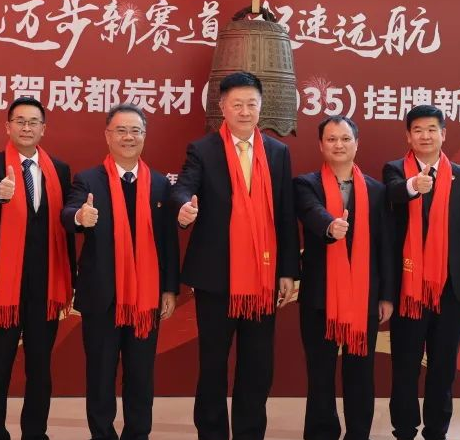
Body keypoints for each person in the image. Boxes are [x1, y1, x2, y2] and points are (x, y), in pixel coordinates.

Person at [171, 71, 299, 440]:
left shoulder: (277, 152)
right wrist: (183, 208)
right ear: (222, 107)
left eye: (251, 104)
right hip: (216, 277)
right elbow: (184, 187)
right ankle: (211, 433)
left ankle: (249, 432)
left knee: (257, 366)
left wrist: (288, 271)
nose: (244, 111)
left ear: (261, 106)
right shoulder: (203, 150)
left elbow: (285, 214)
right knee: (213, 364)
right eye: (237, 104)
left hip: (263, 275)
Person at [61, 103, 179, 440]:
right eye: (121, 130)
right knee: (100, 376)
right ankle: (102, 434)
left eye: (135, 131)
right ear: (107, 135)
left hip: (146, 298)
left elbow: (168, 241)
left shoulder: (160, 184)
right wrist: (80, 218)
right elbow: (68, 213)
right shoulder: (88, 179)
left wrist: (169, 288)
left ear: (144, 136)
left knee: (141, 376)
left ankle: (137, 434)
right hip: (103, 297)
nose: (129, 137)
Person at [294, 115, 393, 440]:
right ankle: (322, 433)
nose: (339, 145)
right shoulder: (305, 184)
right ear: (321, 145)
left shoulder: (377, 191)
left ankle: (358, 433)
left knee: (360, 373)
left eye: (345, 139)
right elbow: (311, 212)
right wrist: (330, 225)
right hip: (320, 297)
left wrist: (386, 295)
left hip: (364, 296)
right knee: (320, 373)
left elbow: (385, 246)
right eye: (332, 139)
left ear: (357, 144)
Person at [383, 104, 460, 440]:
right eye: (418, 130)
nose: (425, 136)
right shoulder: (395, 170)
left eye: (432, 130)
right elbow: (394, 193)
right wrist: (415, 184)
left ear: (443, 134)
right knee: (405, 365)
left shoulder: (458, 175)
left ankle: (436, 431)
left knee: (443, 368)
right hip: (408, 288)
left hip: (449, 289)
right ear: (408, 136)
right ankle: (403, 430)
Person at [0, 96, 75, 440]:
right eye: (20, 121)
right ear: (8, 127)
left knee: (40, 367)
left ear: (43, 129)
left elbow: (65, 228)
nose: (27, 128)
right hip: (3, 286)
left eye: (33, 122)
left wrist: (70, 277)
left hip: (45, 284)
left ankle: (35, 432)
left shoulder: (59, 170)